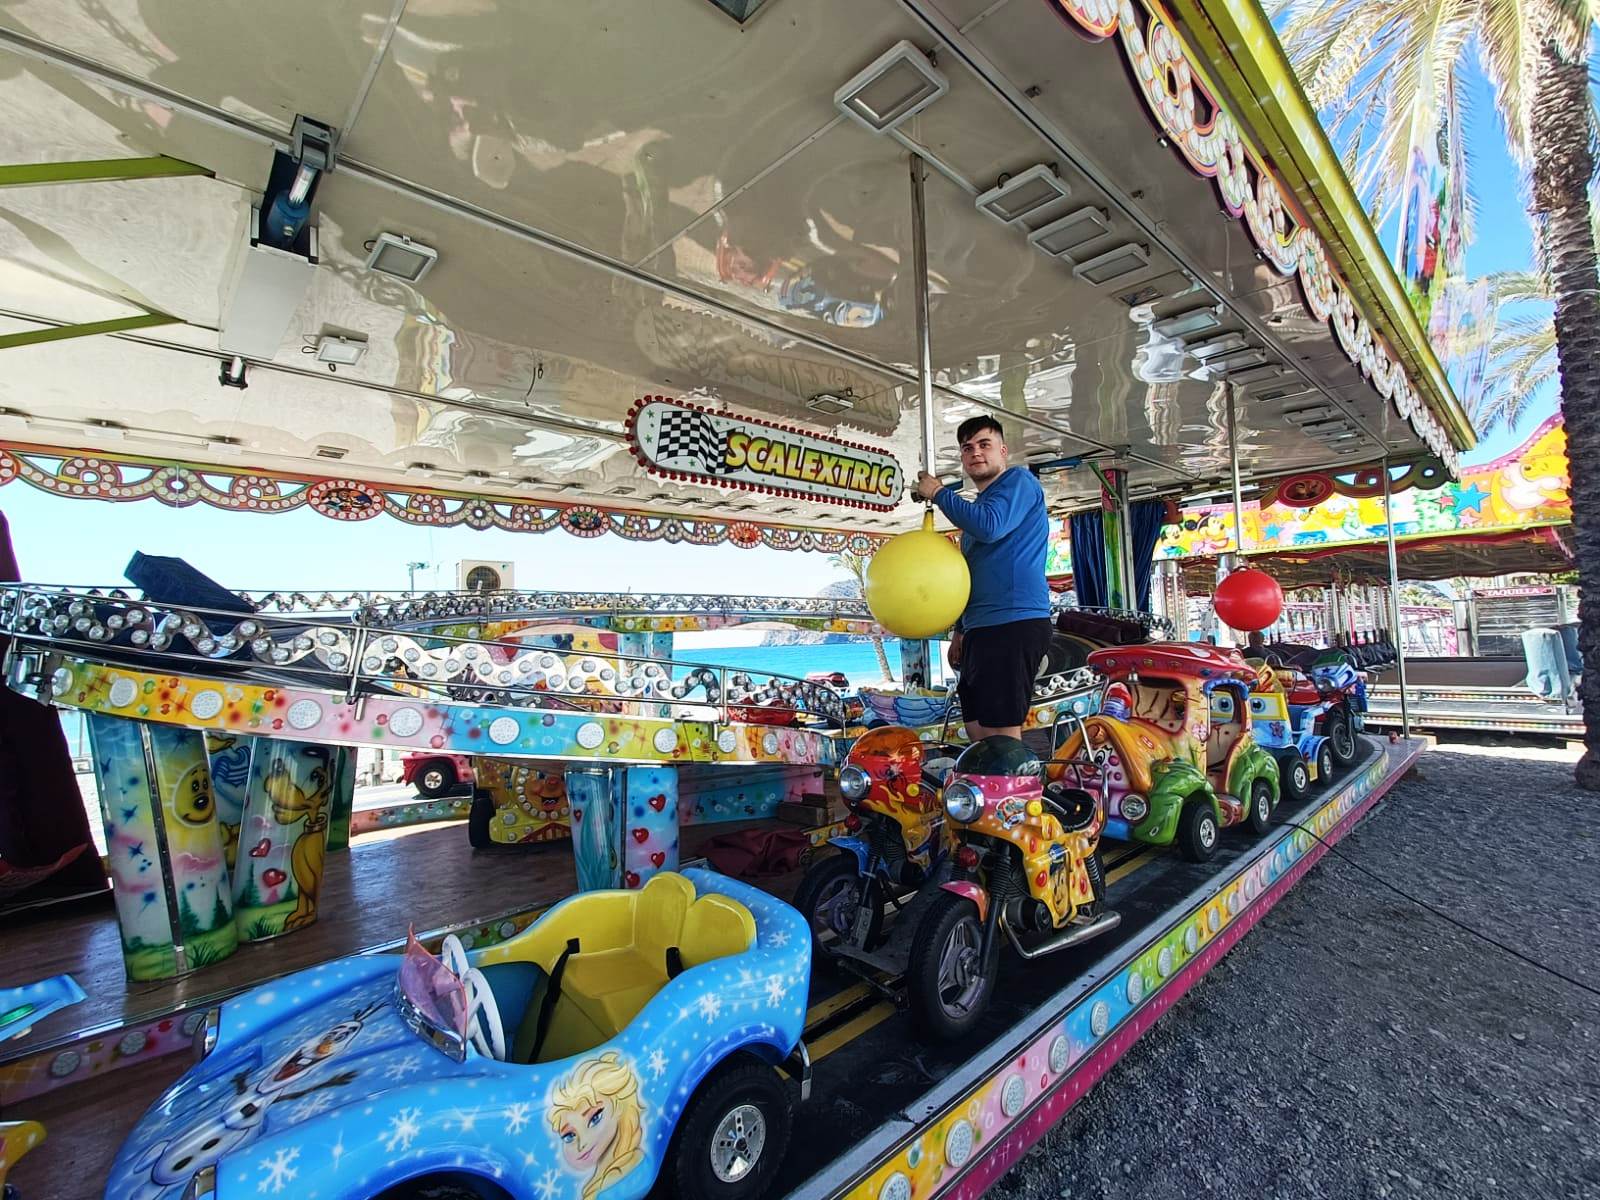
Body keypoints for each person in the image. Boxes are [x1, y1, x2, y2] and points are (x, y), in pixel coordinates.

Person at [915, 416, 1051, 740]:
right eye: (967, 447)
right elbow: (971, 573)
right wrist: (961, 631)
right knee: (976, 724)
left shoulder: (1018, 482)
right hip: (982, 627)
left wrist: (938, 492)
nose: (975, 452)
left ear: (1002, 451)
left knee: (1001, 731)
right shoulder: (979, 509)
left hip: (1013, 621)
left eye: (984, 444)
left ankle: (1014, 789)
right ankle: (986, 786)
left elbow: (990, 527)